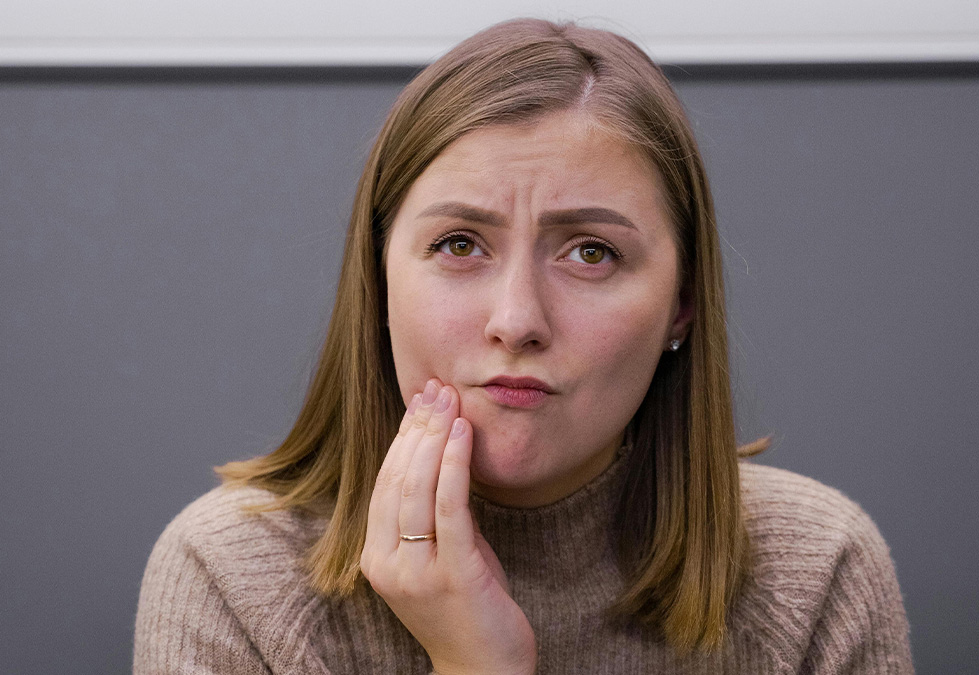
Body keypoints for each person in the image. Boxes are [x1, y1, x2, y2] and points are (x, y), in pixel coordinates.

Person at [134, 17, 913, 675]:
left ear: (681, 308)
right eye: (461, 243)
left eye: (591, 253)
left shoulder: (817, 570)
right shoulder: (232, 576)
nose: (517, 320)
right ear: (376, 282)